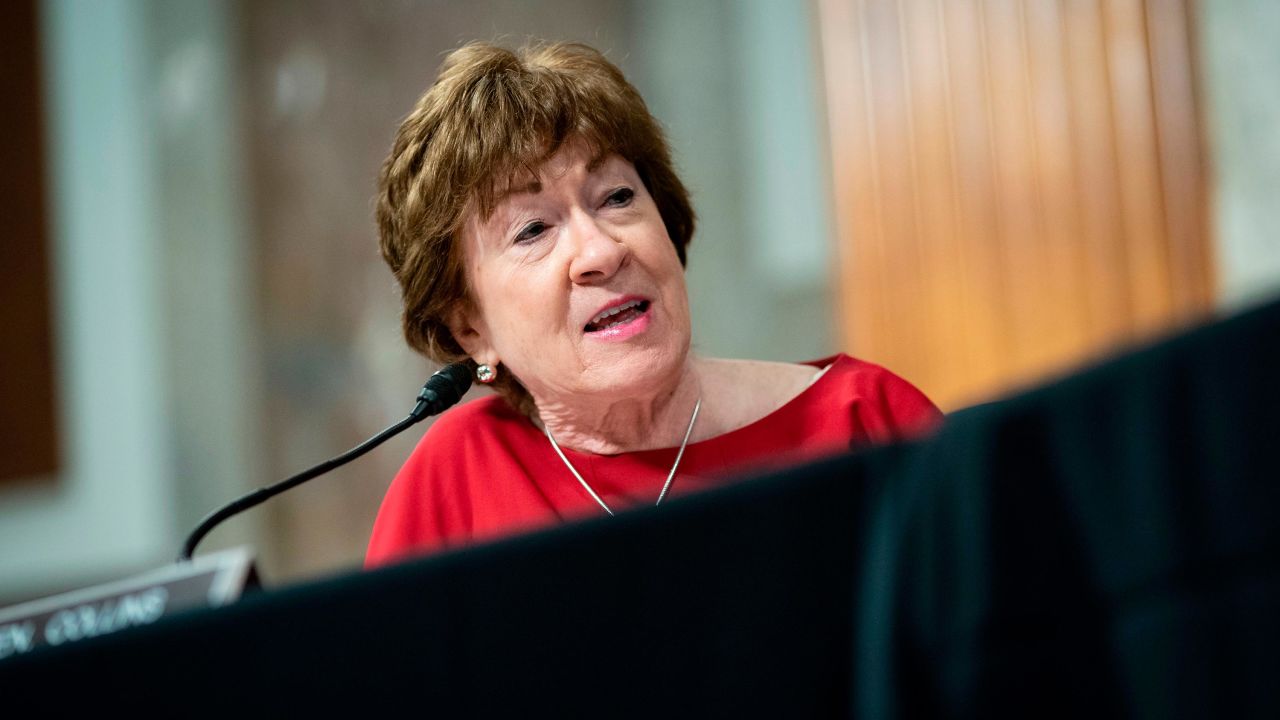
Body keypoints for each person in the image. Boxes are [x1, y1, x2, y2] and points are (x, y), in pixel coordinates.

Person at [365, 41, 941, 567]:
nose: (601, 250)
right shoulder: (455, 483)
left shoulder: (866, 420)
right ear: (471, 331)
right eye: (533, 230)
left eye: (617, 197)